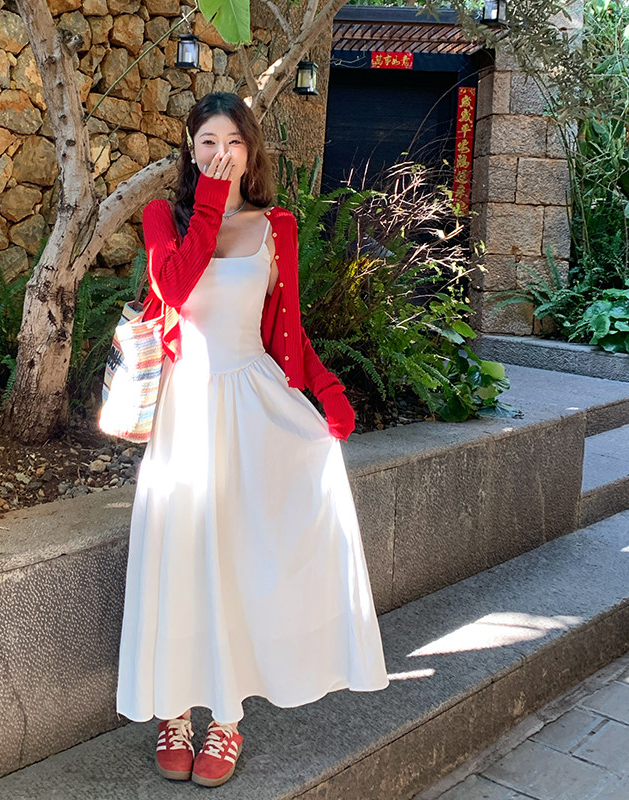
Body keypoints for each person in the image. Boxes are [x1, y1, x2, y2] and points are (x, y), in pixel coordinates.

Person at [115, 92, 389, 789]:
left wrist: (326, 388)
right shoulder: (164, 219)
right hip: (183, 412)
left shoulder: (277, 227)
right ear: (190, 149)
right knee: (180, 555)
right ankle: (173, 711)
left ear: (251, 152)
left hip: (251, 404)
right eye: (207, 142)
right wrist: (209, 204)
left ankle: (227, 719)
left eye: (233, 143)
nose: (220, 154)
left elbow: (286, 330)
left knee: (238, 561)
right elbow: (173, 288)